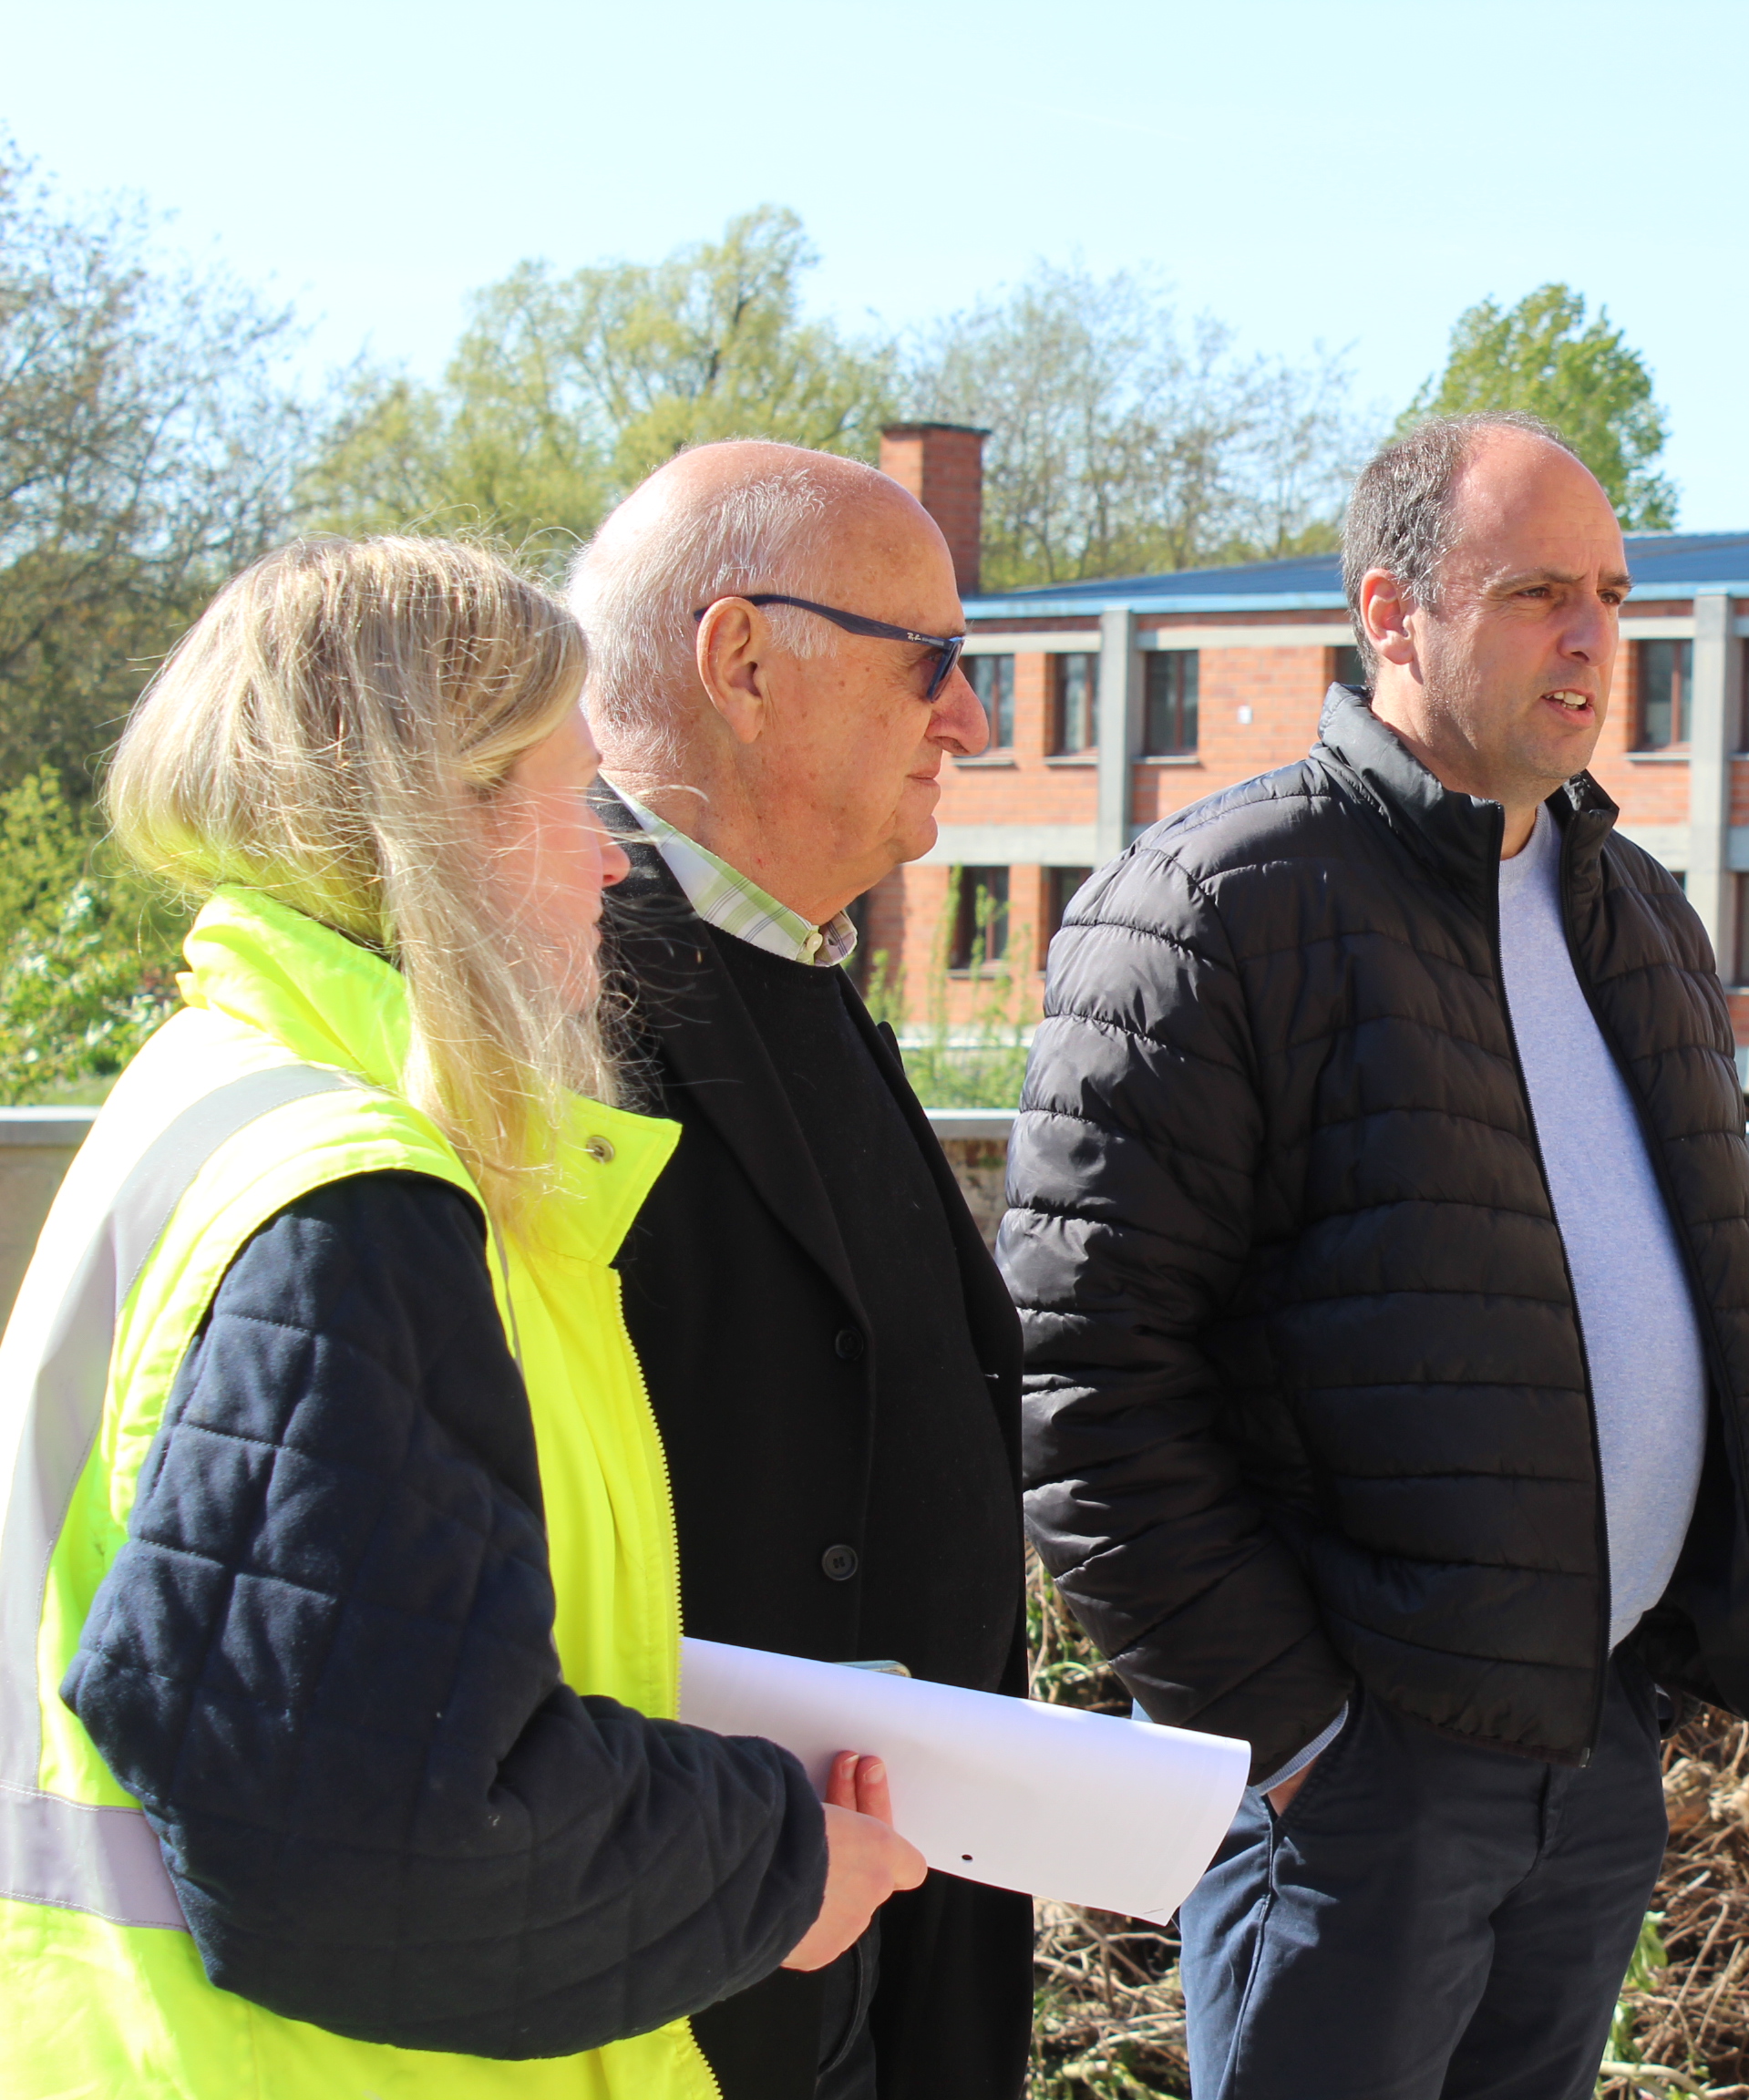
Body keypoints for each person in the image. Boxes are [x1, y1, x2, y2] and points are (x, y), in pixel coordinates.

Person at [8, 537, 925, 2096]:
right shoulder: (350, 1191)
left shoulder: (221, 1090)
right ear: (436, 826)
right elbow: (381, 1827)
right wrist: (775, 1863)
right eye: (571, 800)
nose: (612, 859)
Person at [1002, 410, 1749, 2100]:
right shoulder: (1218, 908)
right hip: (1361, 1783)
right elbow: (1083, 1376)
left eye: (1610, 592)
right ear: (1392, 614)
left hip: (1588, 1747)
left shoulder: (1638, 914)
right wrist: (1291, 1740)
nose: (1592, 639)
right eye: (1534, 594)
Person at [569, 441, 1033, 2100]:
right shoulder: (559, 1000)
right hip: (698, 1953)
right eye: (934, 664)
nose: (969, 721)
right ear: (742, 662)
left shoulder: (800, 965)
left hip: (880, 1918)